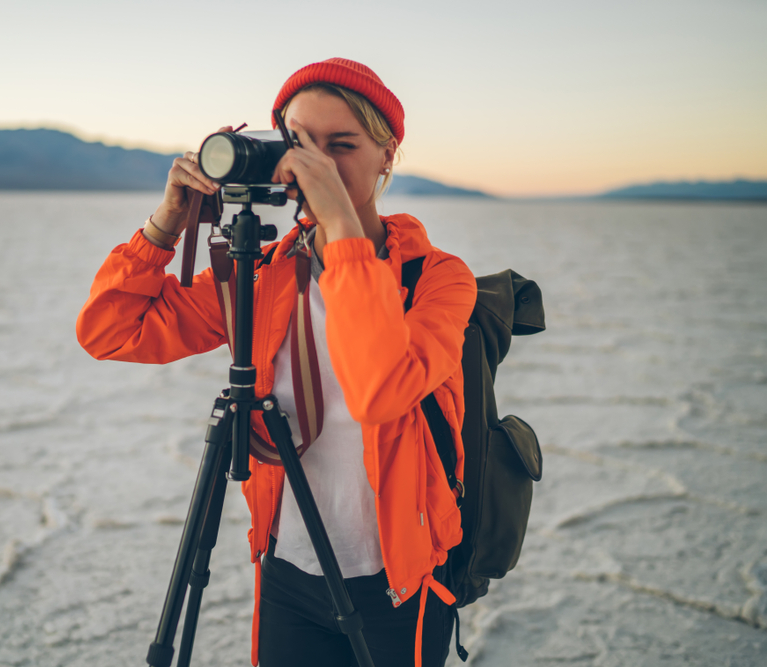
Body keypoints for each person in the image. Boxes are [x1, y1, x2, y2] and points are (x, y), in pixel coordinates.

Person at [76, 58, 477, 667]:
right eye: (301, 146)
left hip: (397, 580)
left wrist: (340, 223)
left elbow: (380, 390)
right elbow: (109, 331)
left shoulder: (436, 280)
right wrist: (165, 225)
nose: (316, 166)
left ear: (387, 156)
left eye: (341, 146)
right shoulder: (261, 278)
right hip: (287, 565)